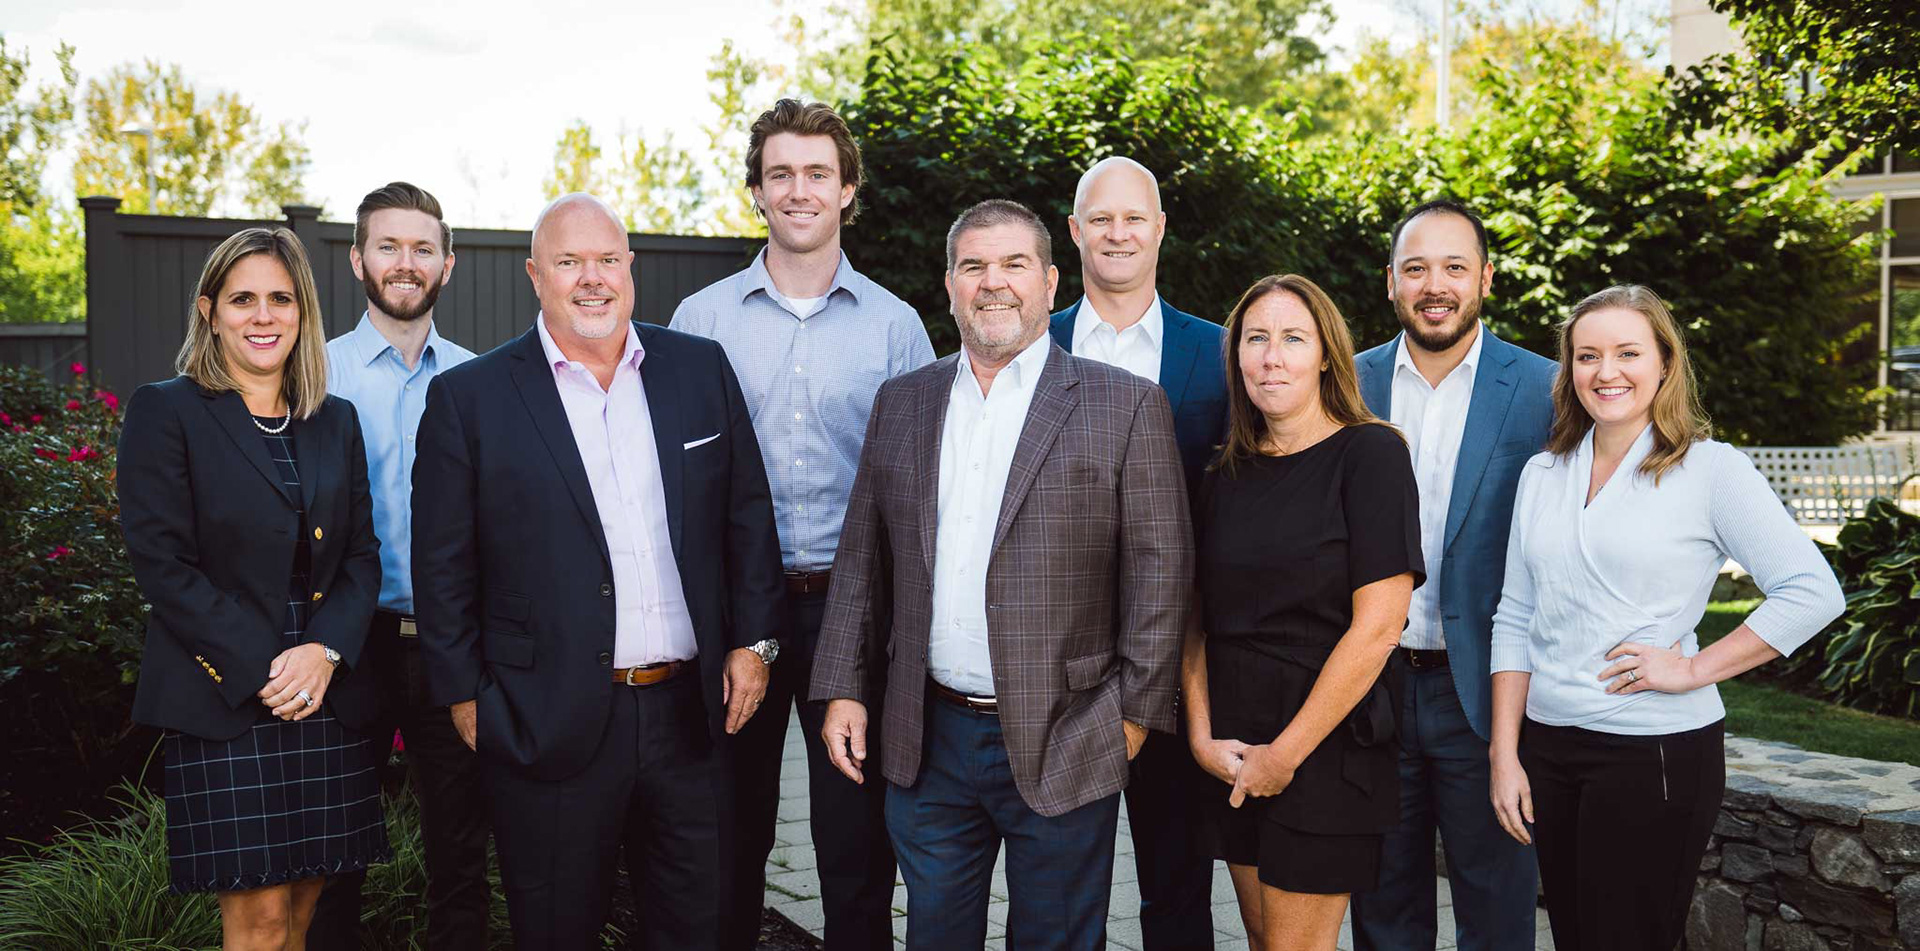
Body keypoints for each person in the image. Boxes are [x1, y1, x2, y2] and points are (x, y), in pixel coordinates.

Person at [810, 199, 1192, 951]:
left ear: (1050, 283)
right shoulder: (904, 402)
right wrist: (844, 688)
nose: (994, 282)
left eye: (1015, 264)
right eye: (974, 265)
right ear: (950, 285)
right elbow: (862, 559)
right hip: (928, 736)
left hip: (1069, 731)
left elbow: (1161, 574)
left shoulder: (1124, 405)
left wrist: (1132, 720)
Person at [410, 192, 786, 947]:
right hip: (546, 716)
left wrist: (756, 643)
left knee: (697, 929)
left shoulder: (698, 368)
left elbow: (747, 516)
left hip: (690, 716)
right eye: (569, 262)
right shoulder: (470, 398)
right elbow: (442, 565)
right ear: (535, 275)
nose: (593, 278)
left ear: (630, 268)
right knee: (557, 929)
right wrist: (463, 695)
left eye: (608, 260)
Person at [1486, 284, 1844, 951]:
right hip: (1549, 749)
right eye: (1587, 355)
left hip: (1652, 751)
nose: (1606, 371)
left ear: (1665, 363)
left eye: (1628, 352)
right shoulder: (1544, 472)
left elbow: (1812, 591)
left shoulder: (1709, 469)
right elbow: (1515, 614)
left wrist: (1693, 668)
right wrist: (1504, 753)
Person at [671, 98, 932, 951]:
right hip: (732, 610)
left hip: (851, 611)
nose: (799, 190)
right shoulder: (701, 321)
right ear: (755, 190)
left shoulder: (896, 327)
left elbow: (919, 491)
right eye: (779, 173)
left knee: (856, 848)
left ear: (848, 189)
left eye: (818, 173)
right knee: (727, 836)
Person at [117, 226, 389, 950]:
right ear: (209, 312)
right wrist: (269, 667)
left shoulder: (335, 420)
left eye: (280, 298)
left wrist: (325, 652)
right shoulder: (166, 410)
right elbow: (163, 564)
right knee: (260, 918)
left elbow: (362, 557)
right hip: (228, 692)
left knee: (304, 906)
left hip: (323, 690)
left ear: (303, 312)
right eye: (242, 299)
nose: (263, 316)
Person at [1183, 274, 1422, 951]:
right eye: (1255, 339)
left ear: (1325, 355)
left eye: (1293, 339)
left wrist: (1284, 756)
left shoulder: (1371, 454)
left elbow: (1379, 628)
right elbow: (1193, 618)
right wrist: (1200, 737)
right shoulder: (1222, 472)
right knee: (1265, 942)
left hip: (1324, 743)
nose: (1271, 357)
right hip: (1234, 743)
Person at [1348, 199, 1555, 951]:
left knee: (1498, 915)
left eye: (1454, 267)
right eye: (1416, 268)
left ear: (1486, 279)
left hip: (1489, 695)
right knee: (1382, 914)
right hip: (1369, 691)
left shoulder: (1545, 388)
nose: (1435, 285)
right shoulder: (1347, 383)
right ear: (1391, 281)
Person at [1047, 158, 1226, 950]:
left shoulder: (1217, 352)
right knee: (1058, 891)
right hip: (1057, 663)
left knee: (1178, 885)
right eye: (1101, 218)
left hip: (1176, 658)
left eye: (1133, 218)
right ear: (1075, 231)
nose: (1117, 233)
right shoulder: (1032, 343)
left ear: (1159, 230)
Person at [307, 182, 485, 950]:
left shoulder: (480, 380)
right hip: (347, 644)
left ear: (447, 263)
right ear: (357, 259)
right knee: (332, 860)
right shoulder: (314, 376)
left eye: (422, 248)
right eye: (388, 246)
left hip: (452, 643)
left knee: (462, 853)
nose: (405, 262)